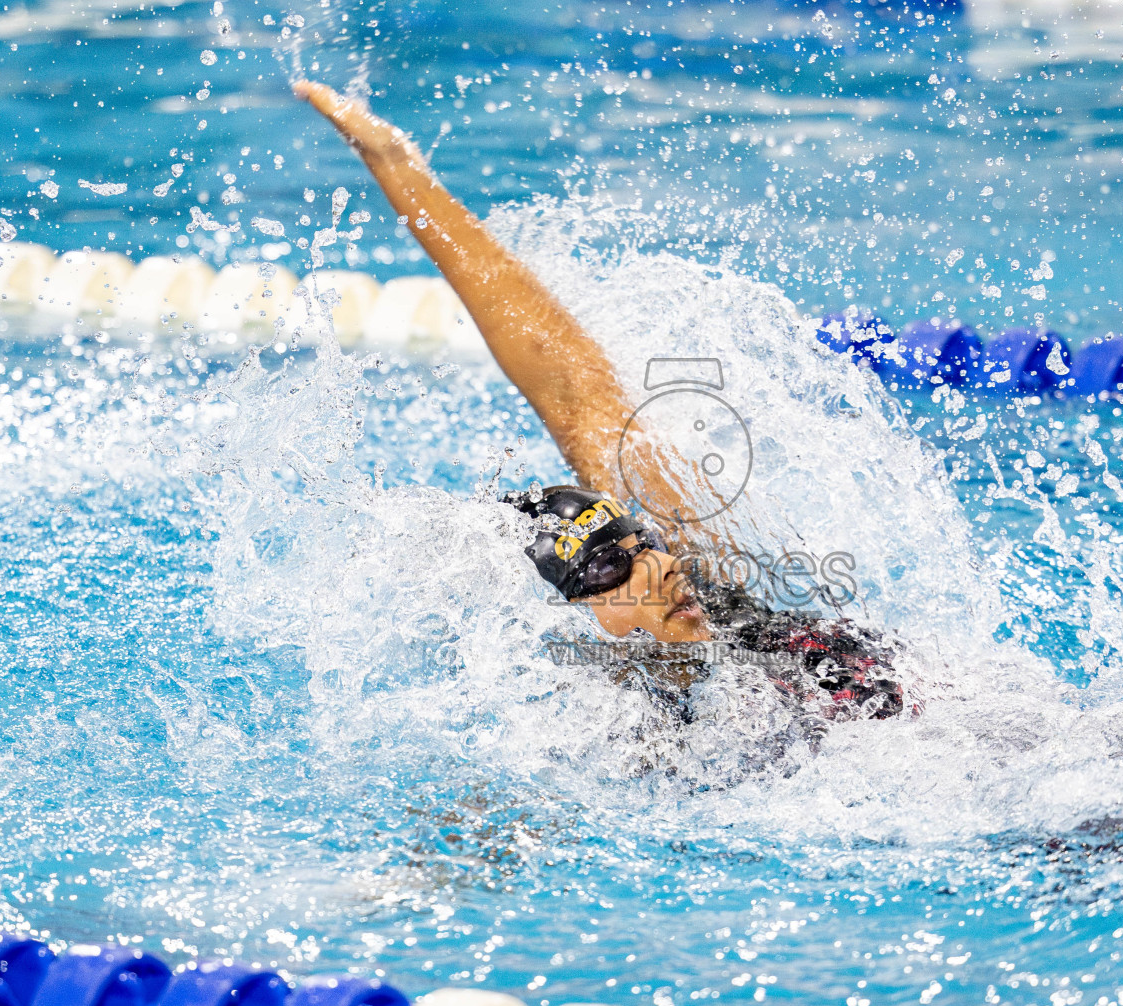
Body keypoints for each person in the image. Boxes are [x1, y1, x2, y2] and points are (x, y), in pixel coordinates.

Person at [293, 81, 904, 723]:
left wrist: (394, 165)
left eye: (645, 544)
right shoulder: (595, 727)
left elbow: (571, 387)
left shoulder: (732, 613)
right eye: (613, 565)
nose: (664, 567)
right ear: (571, 608)